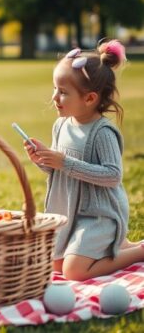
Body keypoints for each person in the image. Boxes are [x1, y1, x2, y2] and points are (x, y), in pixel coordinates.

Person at [25, 40, 142, 281]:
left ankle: (139, 251)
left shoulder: (102, 132)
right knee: (55, 265)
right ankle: (120, 247)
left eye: (63, 92)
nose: (55, 97)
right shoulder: (61, 125)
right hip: (70, 211)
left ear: (89, 98)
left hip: (98, 214)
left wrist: (64, 162)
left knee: (74, 271)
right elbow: (59, 170)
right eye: (55, 89)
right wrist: (42, 158)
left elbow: (112, 175)